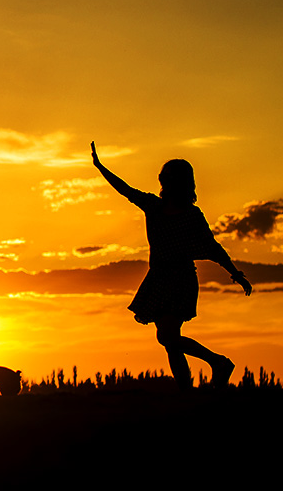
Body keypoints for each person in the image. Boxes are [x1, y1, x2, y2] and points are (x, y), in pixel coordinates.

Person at [91, 142, 252, 389]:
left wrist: (236, 274)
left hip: (180, 279)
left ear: (178, 182)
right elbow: (125, 189)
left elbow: (212, 248)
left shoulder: (191, 215)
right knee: (168, 339)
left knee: (167, 336)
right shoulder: (154, 206)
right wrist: (100, 167)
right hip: (157, 279)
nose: (163, 181)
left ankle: (218, 362)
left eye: (167, 177)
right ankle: (185, 390)